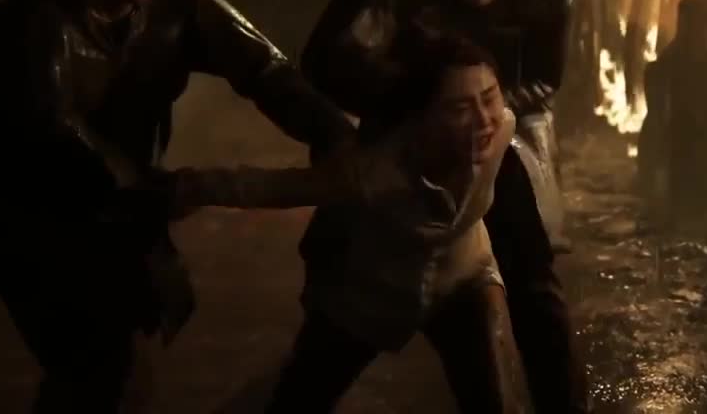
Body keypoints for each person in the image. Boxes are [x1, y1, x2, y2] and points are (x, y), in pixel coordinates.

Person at [0, 0, 356, 413]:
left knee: (115, 369)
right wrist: (158, 190)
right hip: (30, 221)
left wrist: (335, 135)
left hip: (124, 213)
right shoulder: (31, 26)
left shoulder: (178, 9)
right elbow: (54, 133)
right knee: (100, 364)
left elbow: (265, 71)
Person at [300, 0, 589, 412]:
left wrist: (487, 112)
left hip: (504, 134)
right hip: (402, 134)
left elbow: (546, 79)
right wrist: (418, 108)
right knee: (350, 283)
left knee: (534, 279)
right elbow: (323, 65)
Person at [159, 31, 531, 413]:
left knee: (498, 402)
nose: (484, 120)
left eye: (490, 98)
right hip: (367, 297)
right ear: (424, 117)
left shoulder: (502, 129)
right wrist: (191, 187)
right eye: (459, 108)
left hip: (465, 277)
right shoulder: (374, 171)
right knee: (298, 403)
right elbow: (277, 188)